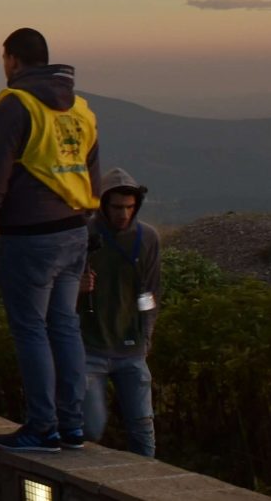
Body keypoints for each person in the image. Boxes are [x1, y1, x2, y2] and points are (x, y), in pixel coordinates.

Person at [0, 27, 101, 453]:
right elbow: (91, 172)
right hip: (75, 230)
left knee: (31, 330)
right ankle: (72, 426)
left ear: (13, 59)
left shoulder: (14, 105)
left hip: (30, 236)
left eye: (4, 59)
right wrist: (86, 220)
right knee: (65, 325)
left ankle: (43, 427)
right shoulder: (80, 109)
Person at [79, 169, 161, 456]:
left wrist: (146, 332)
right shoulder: (83, 234)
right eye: (116, 207)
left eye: (129, 207)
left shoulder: (147, 238)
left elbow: (149, 294)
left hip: (131, 348)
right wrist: (76, 288)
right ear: (103, 205)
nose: (123, 214)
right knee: (91, 427)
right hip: (90, 348)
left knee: (142, 426)